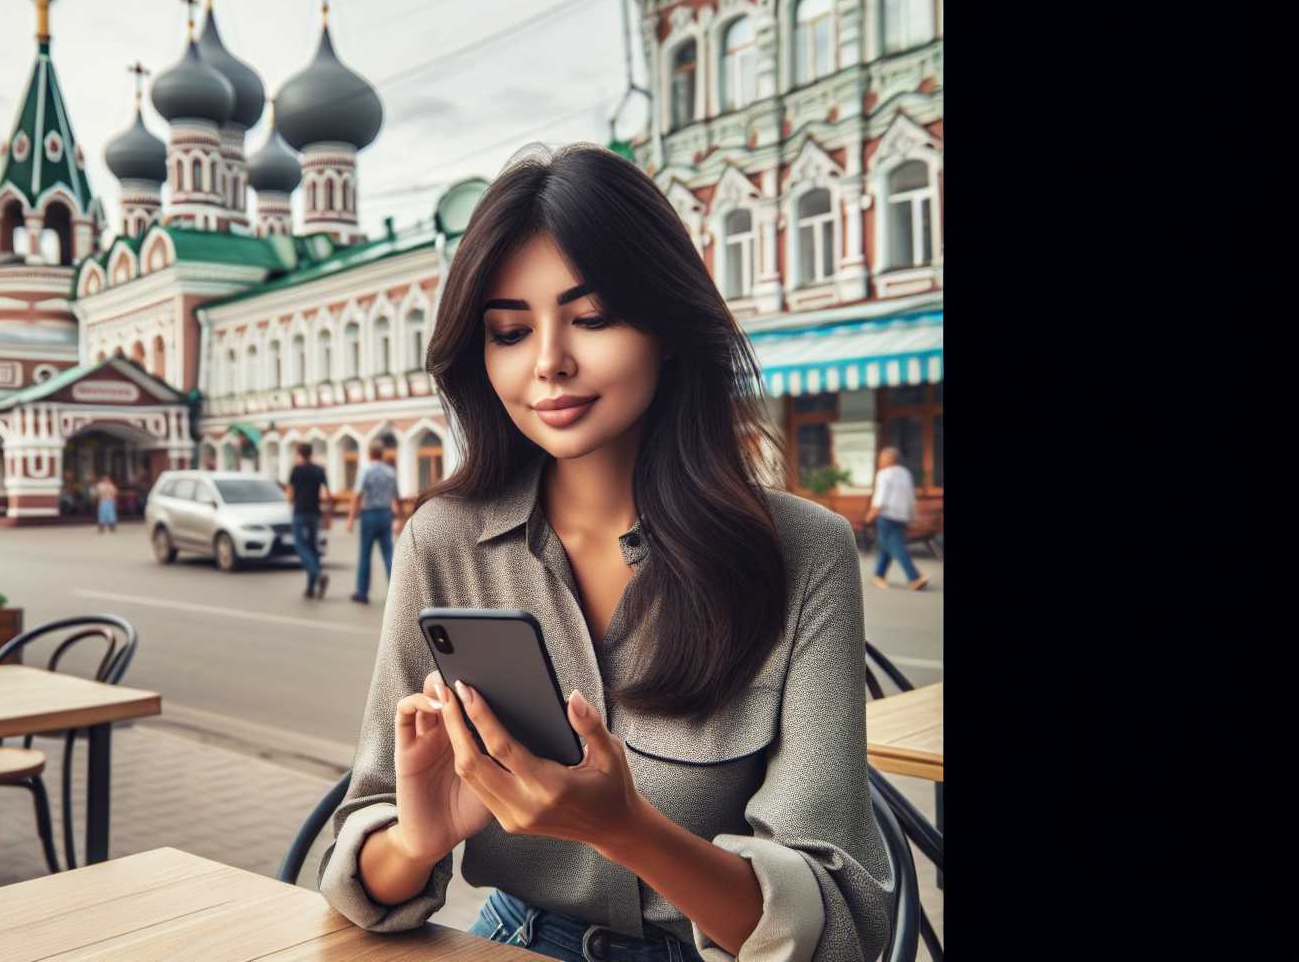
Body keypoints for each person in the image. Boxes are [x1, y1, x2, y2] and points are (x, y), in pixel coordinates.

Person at [315, 145, 890, 962]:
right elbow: (359, 858)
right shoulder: (441, 541)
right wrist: (415, 840)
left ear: (667, 330)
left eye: (592, 318)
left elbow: (845, 925)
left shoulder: (804, 553)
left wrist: (626, 830)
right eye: (510, 331)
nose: (548, 360)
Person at [346, 443, 404, 605]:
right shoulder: (390, 472)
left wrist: (351, 518)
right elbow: (397, 497)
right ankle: (397, 593)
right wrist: (400, 518)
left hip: (369, 514)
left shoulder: (365, 470)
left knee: (365, 553)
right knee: (388, 554)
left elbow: (357, 495)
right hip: (386, 514)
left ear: (370, 454)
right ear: (382, 454)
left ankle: (362, 592)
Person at [864, 447, 927, 591]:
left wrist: (871, 513)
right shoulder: (905, 473)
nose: (879, 461)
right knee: (889, 545)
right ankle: (879, 575)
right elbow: (910, 496)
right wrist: (911, 515)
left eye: (881, 458)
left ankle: (914, 577)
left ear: (888, 459)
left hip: (887, 515)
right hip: (902, 516)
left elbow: (880, 496)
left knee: (894, 547)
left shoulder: (884, 474)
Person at [288, 445, 330, 598]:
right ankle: (311, 589)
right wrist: (328, 515)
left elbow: (290, 494)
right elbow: (326, 493)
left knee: (301, 547)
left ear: (300, 454)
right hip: (315, 513)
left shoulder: (296, 470)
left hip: (300, 512)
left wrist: (292, 500)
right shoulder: (319, 470)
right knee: (313, 549)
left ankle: (318, 575)